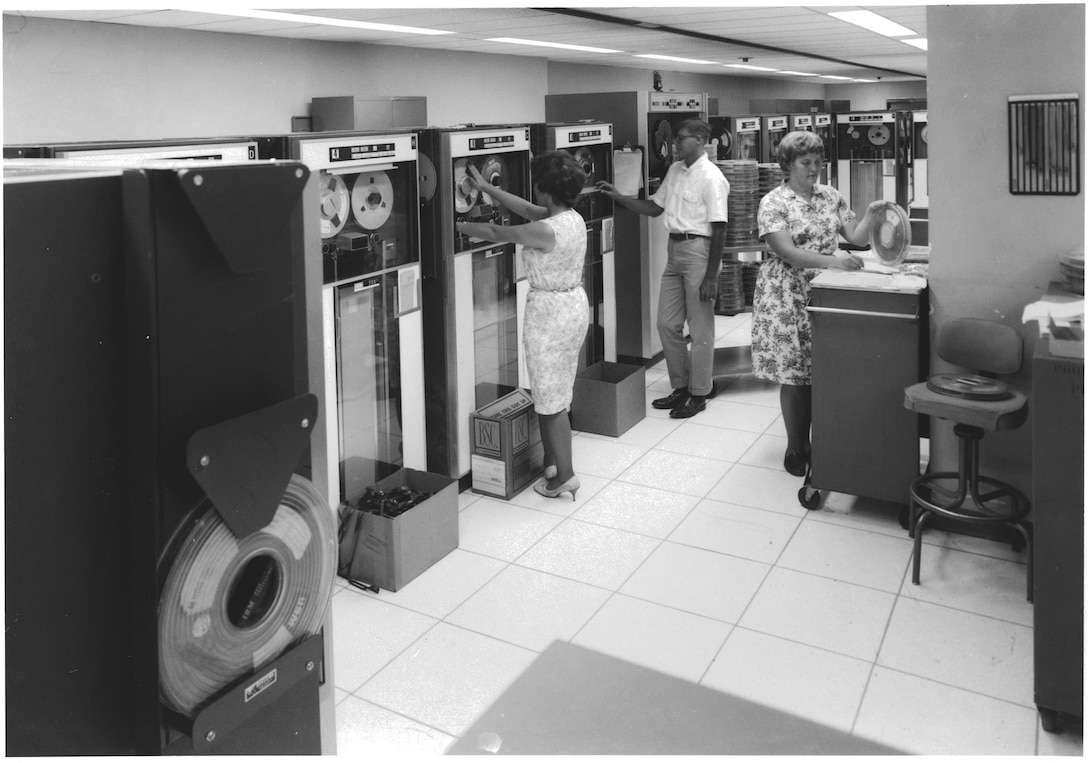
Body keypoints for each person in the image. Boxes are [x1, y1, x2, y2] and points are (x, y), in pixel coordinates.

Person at [752, 130, 885, 478]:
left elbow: (855, 237)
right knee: (796, 375)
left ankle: (824, 438)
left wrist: (871, 213)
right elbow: (786, 251)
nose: (814, 169)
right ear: (788, 164)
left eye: (818, 162)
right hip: (786, 293)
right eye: (805, 163)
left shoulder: (831, 197)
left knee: (825, 370)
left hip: (826, 291)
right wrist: (835, 262)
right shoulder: (774, 202)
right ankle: (796, 445)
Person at [457, 152, 588, 500]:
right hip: (572, 307)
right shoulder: (570, 219)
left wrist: (456, 226)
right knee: (557, 389)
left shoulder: (544, 230)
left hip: (550, 315)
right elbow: (526, 208)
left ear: (545, 189)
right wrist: (487, 188)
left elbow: (497, 230)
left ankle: (566, 476)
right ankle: (552, 460)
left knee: (548, 398)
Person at [596, 118, 729, 419]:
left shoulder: (712, 177)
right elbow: (655, 208)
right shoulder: (675, 171)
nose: (675, 143)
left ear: (699, 140)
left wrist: (711, 275)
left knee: (700, 328)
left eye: (681, 138)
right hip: (674, 250)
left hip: (699, 251)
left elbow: (720, 229)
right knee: (666, 324)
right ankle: (681, 386)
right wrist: (619, 197)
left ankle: (699, 392)